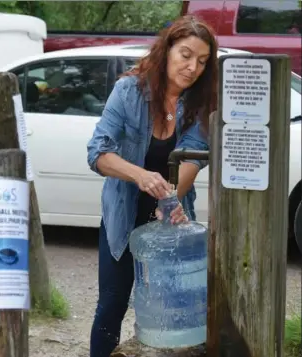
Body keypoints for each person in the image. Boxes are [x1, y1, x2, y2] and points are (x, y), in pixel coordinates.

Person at [86, 15, 218, 357]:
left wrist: (171, 198)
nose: (192, 67)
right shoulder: (129, 90)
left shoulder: (199, 102)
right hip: (122, 216)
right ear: (167, 49)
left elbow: (194, 158)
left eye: (202, 61)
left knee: (171, 309)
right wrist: (140, 175)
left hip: (171, 218)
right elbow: (98, 153)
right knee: (111, 306)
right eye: (186, 54)